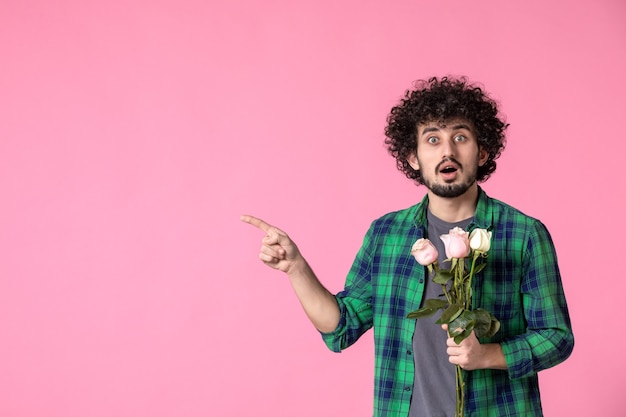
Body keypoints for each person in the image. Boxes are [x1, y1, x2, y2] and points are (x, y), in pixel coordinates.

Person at [241, 76, 574, 416]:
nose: (448, 150)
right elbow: (341, 327)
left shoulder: (523, 234)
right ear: (413, 157)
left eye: (460, 137)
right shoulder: (386, 234)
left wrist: (488, 355)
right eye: (433, 139)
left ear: (482, 151)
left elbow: (557, 337)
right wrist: (296, 268)